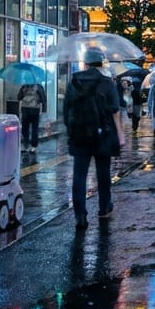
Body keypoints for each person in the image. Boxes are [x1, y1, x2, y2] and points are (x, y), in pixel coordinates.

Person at [64, 48, 122, 229]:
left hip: (79, 134)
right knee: (103, 173)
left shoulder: (74, 81)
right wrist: (119, 134)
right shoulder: (107, 82)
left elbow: (66, 110)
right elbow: (115, 109)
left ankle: (80, 215)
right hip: (102, 134)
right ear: (101, 63)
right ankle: (104, 207)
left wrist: (71, 129)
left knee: (79, 176)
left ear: (86, 63)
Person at [17, 81, 46, 153]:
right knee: (34, 128)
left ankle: (25, 145)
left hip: (25, 109)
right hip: (35, 109)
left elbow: (19, 97)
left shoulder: (24, 86)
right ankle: (33, 146)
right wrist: (43, 110)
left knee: (25, 128)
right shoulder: (39, 86)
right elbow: (43, 98)